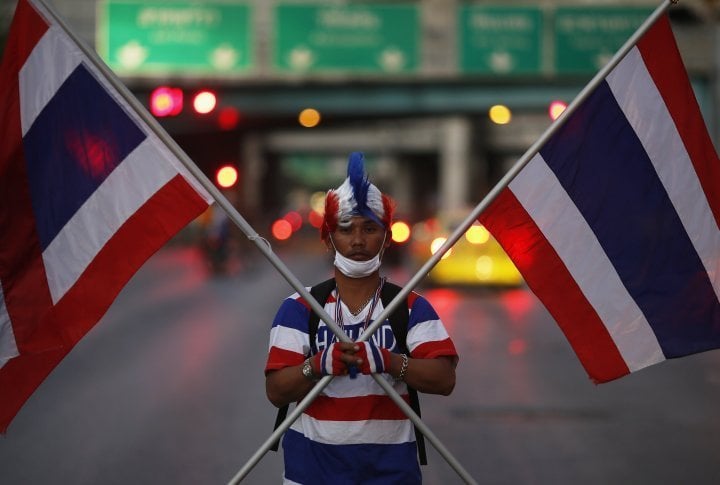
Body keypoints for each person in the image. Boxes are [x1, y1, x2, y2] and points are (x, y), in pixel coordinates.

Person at [265, 152, 459, 484]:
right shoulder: (299, 307)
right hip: (311, 473)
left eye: (370, 228)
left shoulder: (410, 307)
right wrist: (319, 364)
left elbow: (444, 380)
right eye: (346, 229)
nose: (357, 240)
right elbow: (276, 391)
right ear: (329, 237)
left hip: (391, 474)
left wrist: (390, 361)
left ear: (386, 237)